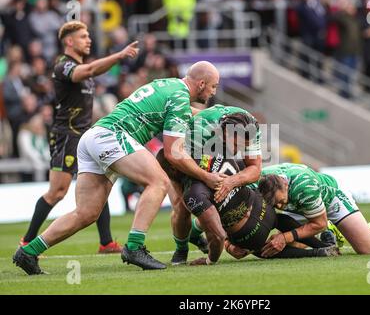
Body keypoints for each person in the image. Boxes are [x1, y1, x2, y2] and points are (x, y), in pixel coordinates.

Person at [13, 60, 223, 275]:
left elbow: (187, 113)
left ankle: (28, 252)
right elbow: (173, 154)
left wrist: (218, 114)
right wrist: (206, 177)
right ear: (201, 83)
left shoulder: (169, 86)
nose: (213, 92)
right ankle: (134, 247)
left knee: (85, 213)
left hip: (93, 137)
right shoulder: (179, 97)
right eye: (213, 86)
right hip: (113, 136)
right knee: (158, 182)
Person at [19, 21, 140, 254]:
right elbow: (91, 70)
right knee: (57, 192)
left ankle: (106, 243)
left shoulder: (83, 68)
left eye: (88, 36)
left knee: (100, 182)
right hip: (66, 136)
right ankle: (26, 241)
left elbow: (93, 70)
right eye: (83, 36)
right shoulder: (63, 66)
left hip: (85, 136)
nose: (89, 40)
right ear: (69, 41)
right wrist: (119, 56)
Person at [157, 151, 339, 267]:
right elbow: (249, 171)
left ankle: (315, 253)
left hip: (248, 235)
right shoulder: (215, 155)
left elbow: (218, 234)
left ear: (172, 172)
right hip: (264, 208)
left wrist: (211, 258)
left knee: (260, 248)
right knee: (279, 219)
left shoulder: (192, 194)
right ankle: (322, 247)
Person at [169, 105, 263, 265]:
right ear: (226, 133)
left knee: (228, 187)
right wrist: (206, 176)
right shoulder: (198, 130)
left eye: (244, 146)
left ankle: (198, 233)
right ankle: (181, 249)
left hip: (214, 144)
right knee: (182, 205)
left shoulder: (251, 127)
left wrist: (231, 181)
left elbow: (255, 169)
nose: (240, 149)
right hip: (183, 157)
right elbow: (177, 159)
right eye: (237, 144)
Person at [255, 163, 370, 257]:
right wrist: (232, 244)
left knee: (369, 250)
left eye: (280, 201)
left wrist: (285, 236)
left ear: (285, 184)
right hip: (299, 206)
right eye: (274, 204)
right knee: (289, 246)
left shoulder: (304, 185)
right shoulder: (257, 182)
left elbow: (319, 223)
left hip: (332, 199)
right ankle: (331, 230)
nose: (280, 207)